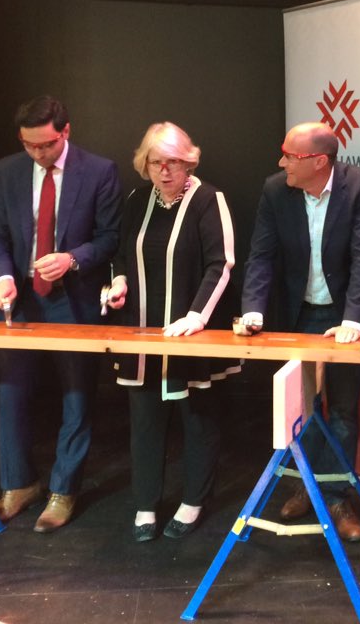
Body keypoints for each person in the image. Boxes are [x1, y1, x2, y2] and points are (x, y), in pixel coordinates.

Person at [0, 95, 121, 532]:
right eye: (29, 145)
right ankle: (18, 483)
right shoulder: (8, 170)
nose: (38, 153)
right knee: (10, 393)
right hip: (20, 299)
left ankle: (64, 489)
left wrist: (72, 259)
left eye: (46, 145)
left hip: (72, 298)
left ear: (66, 131)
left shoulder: (99, 171)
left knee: (77, 395)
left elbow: (110, 237)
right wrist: (3, 276)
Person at [241, 121, 360, 543]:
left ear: (319, 162)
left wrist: (355, 318)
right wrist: (252, 310)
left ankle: (336, 497)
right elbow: (261, 256)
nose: (281, 162)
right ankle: (308, 487)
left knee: (344, 409)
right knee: (303, 410)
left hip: (344, 316)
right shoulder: (275, 190)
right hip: (297, 314)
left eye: (290, 156)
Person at [106, 122, 238, 542]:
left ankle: (194, 500)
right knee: (144, 420)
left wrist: (197, 316)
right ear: (144, 164)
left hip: (191, 334)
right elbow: (121, 255)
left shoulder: (208, 200)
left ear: (189, 162)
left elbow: (221, 264)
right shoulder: (136, 200)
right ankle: (146, 504)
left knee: (197, 420)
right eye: (156, 162)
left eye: (174, 162)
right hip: (143, 334)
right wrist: (119, 283)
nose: (164, 171)